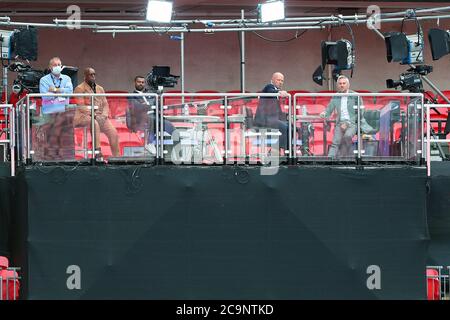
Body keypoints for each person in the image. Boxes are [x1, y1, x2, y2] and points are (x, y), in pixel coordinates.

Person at [320, 75, 374, 157]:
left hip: (352, 123)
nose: (342, 85)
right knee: (335, 142)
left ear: (348, 85)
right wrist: (324, 114)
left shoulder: (356, 96)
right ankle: (329, 159)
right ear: (338, 85)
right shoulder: (336, 96)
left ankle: (341, 158)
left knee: (347, 136)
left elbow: (360, 112)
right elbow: (329, 109)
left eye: (344, 83)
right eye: (340, 84)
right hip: (340, 123)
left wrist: (347, 123)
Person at [73, 67, 120, 157]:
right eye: (91, 75)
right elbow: (81, 106)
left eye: (94, 74)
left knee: (113, 132)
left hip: (100, 117)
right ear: (85, 76)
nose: (93, 76)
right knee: (94, 123)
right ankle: (97, 152)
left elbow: (105, 104)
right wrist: (94, 115)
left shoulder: (100, 88)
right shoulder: (79, 88)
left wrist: (104, 115)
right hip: (84, 116)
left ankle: (117, 158)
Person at [127, 75, 175, 155]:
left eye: (142, 82)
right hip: (142, 118)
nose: (141, 84)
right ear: (134, 83)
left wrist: (159, 97)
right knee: (152, 119)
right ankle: (149, 143)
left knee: (175, 132)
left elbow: (159, 106)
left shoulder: (151, 93)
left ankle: (175, 153)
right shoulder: (131, 95)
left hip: (156, 118)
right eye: (139, 82)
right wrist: (149, 106)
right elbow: (137, 107)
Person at [38, 56, 74, 160]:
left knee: (65, 141)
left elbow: (70, 93)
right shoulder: (44, 80)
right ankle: (51, 161)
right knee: (51, 141)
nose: (57, 67)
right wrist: (61, 91)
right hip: (50, 113)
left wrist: (54, 90)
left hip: (64, 113)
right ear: (50, 67)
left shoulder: (67, 78)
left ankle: (66, 160)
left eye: (59, 65)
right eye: (55, 65)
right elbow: (45, 96)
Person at [254, 72, 290, 150]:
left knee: (292, 127)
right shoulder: (269, 87)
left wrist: (287, 115)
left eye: (282, 81)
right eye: (278, 80)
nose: (280, 82)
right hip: (264, 120)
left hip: (272, 119)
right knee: (286, 127)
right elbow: (271, 91)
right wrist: (279, 92)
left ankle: (288, 150)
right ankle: (279, 150)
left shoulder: (276, 91)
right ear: (272, 80)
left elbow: (277, 111)